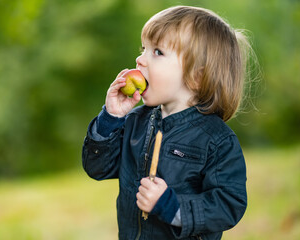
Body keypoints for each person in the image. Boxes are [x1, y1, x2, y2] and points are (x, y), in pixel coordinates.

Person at [82, 5, 253, 239]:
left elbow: (228, 205)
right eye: (144, 49)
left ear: (197, 77)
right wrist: (111, 117)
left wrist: (172, 207)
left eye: (157, 52)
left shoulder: (215, 140)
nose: (139, 59)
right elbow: (98, 168)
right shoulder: (135, 121)